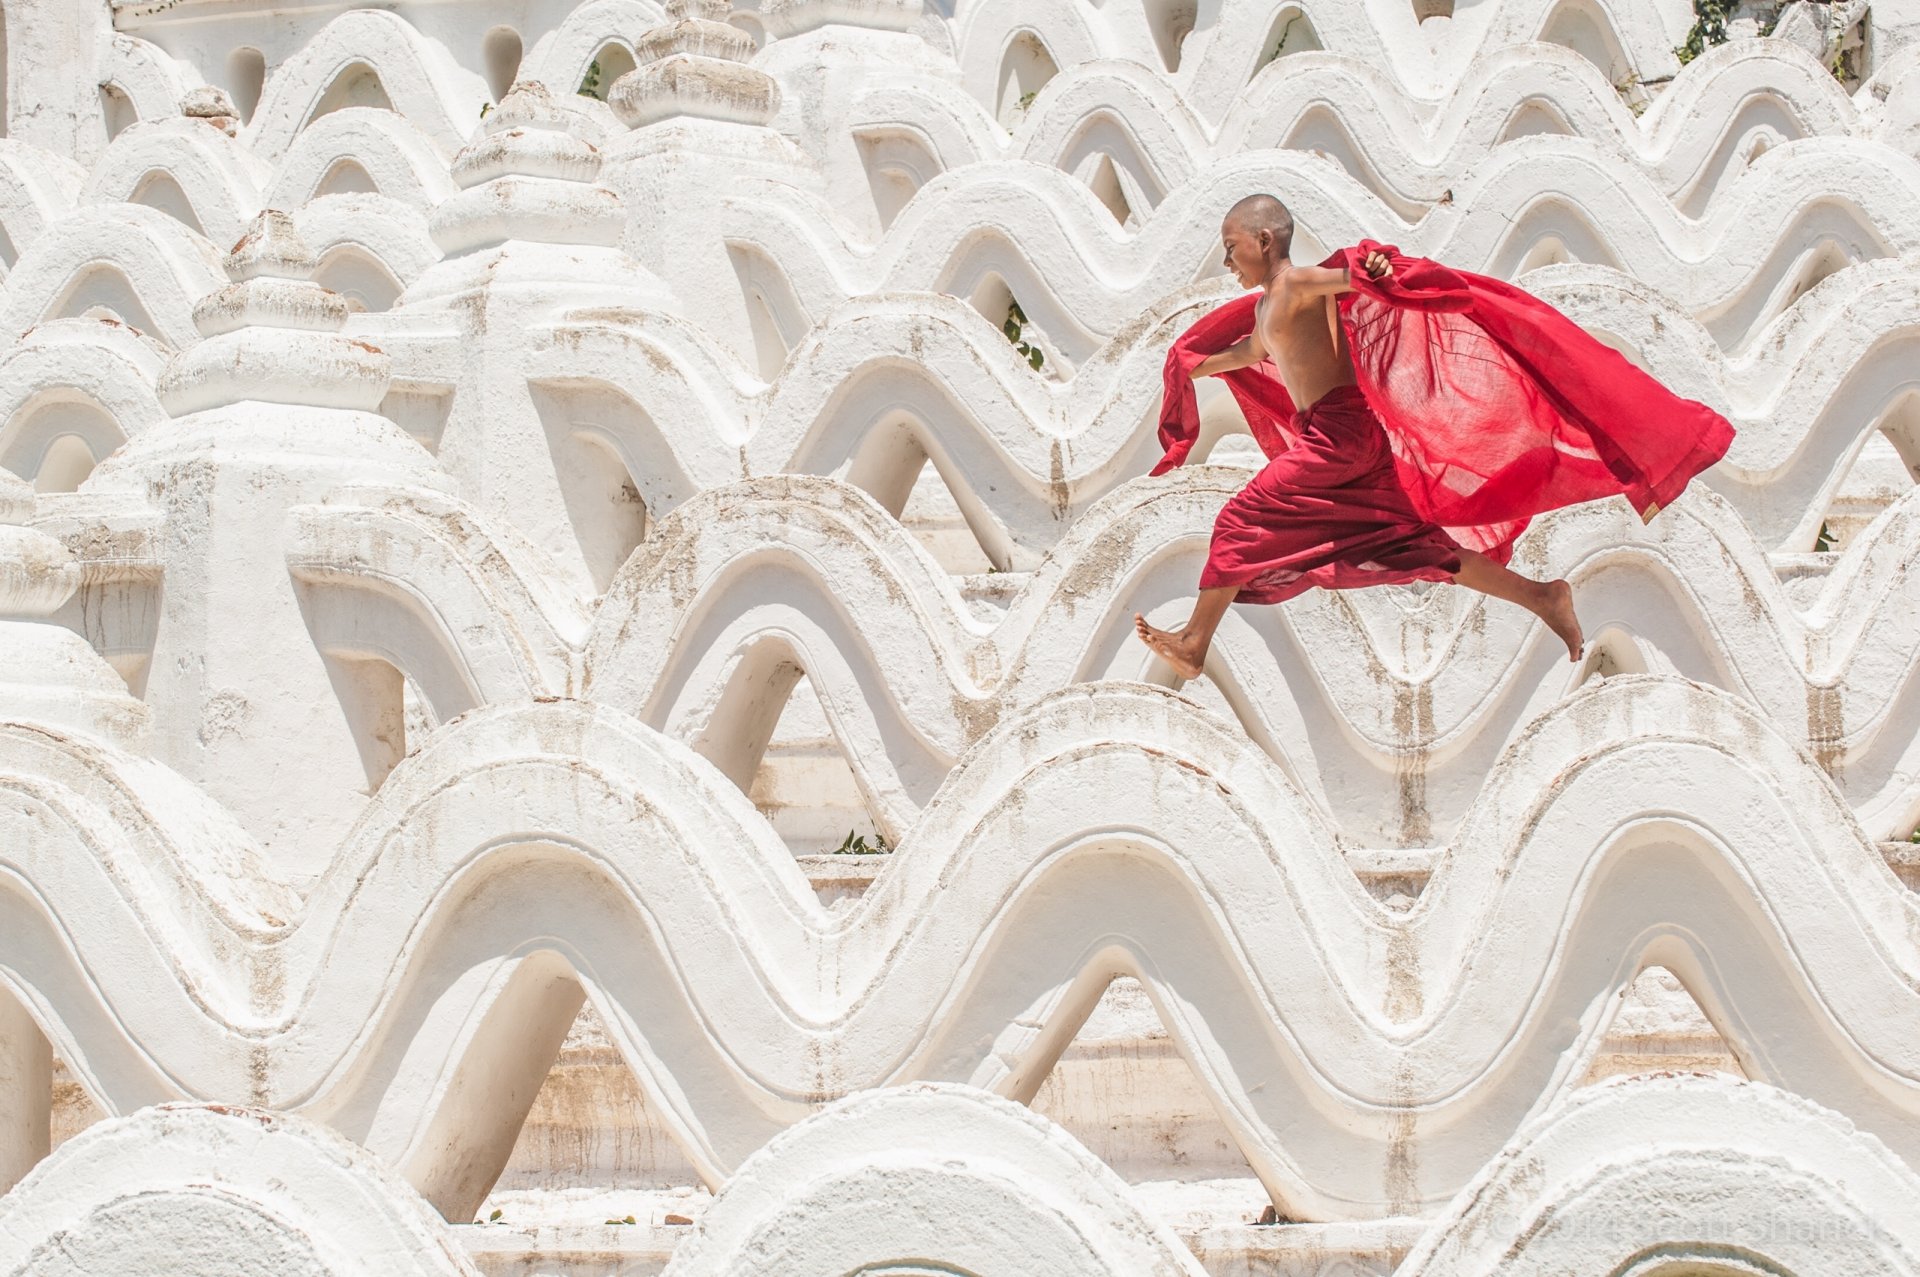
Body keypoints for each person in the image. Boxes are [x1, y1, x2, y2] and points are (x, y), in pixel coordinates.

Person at [1133, 193, 1735, 680]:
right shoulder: (1271, 306)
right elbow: (1253, 350)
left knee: (1243, 520)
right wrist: (1194, 362)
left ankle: (1193, 642)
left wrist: (1370, 268)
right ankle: (1543, 597)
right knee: (1411, 545)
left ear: (1265, 241)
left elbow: (1346, 279)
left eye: (1232, 247)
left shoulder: (1294, 286)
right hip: (1345, 439)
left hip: (1340, 438)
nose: (1227, 261)